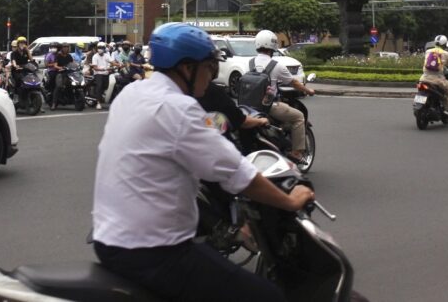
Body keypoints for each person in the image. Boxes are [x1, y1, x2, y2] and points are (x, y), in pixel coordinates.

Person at [91, 22, 312, 301]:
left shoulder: (134, 94)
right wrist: (290, 201)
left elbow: (206, 142)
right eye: (209, 67)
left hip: (111, 239)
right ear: (187, 68)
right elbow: (237, 173)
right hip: (154, 251)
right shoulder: (178, 109)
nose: (212, 74)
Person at [249, 30, 315, 164]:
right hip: (269, 106)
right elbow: (294, 82)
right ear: (273, 46)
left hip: (251, 106)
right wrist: (308, 90)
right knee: (298, 117)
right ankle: (296, 153)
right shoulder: (276, 65)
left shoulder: (250, 63)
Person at [420, 35, 448, 118]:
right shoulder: (446, 54)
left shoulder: (428, 51)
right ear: (445, 44)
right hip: (438, 80)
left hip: (424, 78)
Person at [51, 43, 76, 110]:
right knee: (58, 86)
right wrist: (61, 68)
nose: (65, 48)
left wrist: (77, 66)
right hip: (60, 73)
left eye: (67, 47)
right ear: (62, 48)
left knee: (74, 84)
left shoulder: (69, 56)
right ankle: (54, 103)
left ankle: (74, 100)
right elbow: (55, 65)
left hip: (69, 73)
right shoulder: (58, 56)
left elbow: (73, 63)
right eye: (64, 47)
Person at [91, 43, 113, 110]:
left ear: (104, 48)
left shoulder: (107, 56)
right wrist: (103, 69)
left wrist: (119, 64)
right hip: (98, 74)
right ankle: (98, 103)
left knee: (107, 86)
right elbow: (95, 67)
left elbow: (112, 62)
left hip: (106, 74)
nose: (100, 49)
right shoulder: (95, 56)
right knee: (99, 86)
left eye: (101, 47)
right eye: (99, 47)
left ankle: (103, 97)